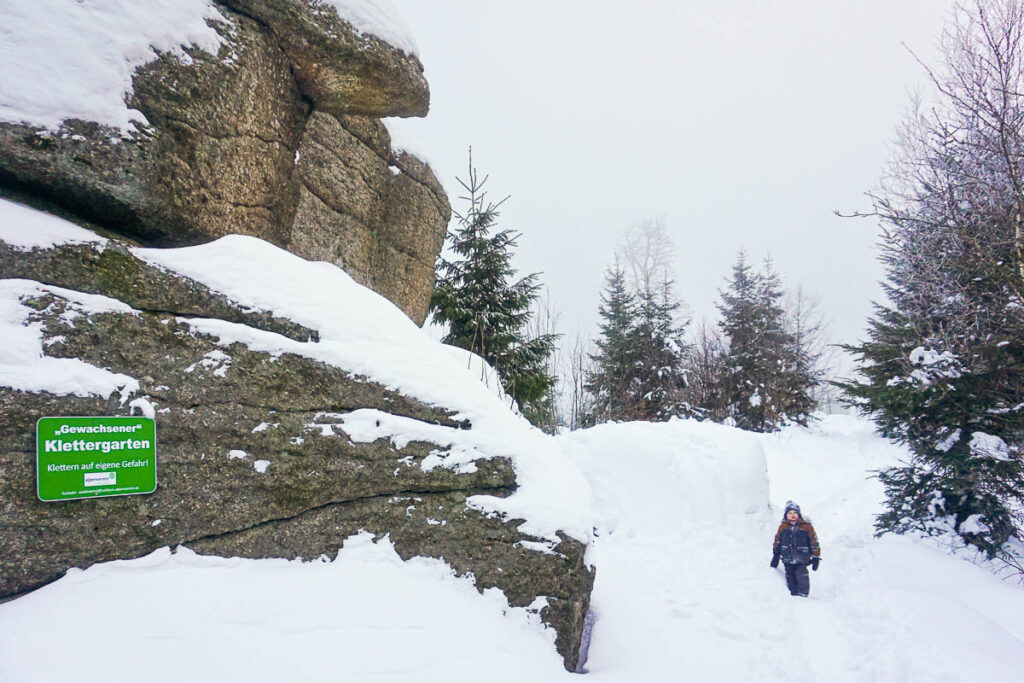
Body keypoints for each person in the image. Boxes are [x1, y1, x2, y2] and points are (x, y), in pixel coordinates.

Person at [770, 501, 821, 597]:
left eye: (795, 513)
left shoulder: (806, 527)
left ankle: (803, 593)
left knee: (802, 574)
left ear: (799, 514)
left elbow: (814, 542)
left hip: (802, 558)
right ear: (786, 515)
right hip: (787, 557)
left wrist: (816, 556)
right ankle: (792, 593)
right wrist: (776, 555)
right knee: (789, 574)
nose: (792, 515)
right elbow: (778, 541)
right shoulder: (783, 527)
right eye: (789, 513)